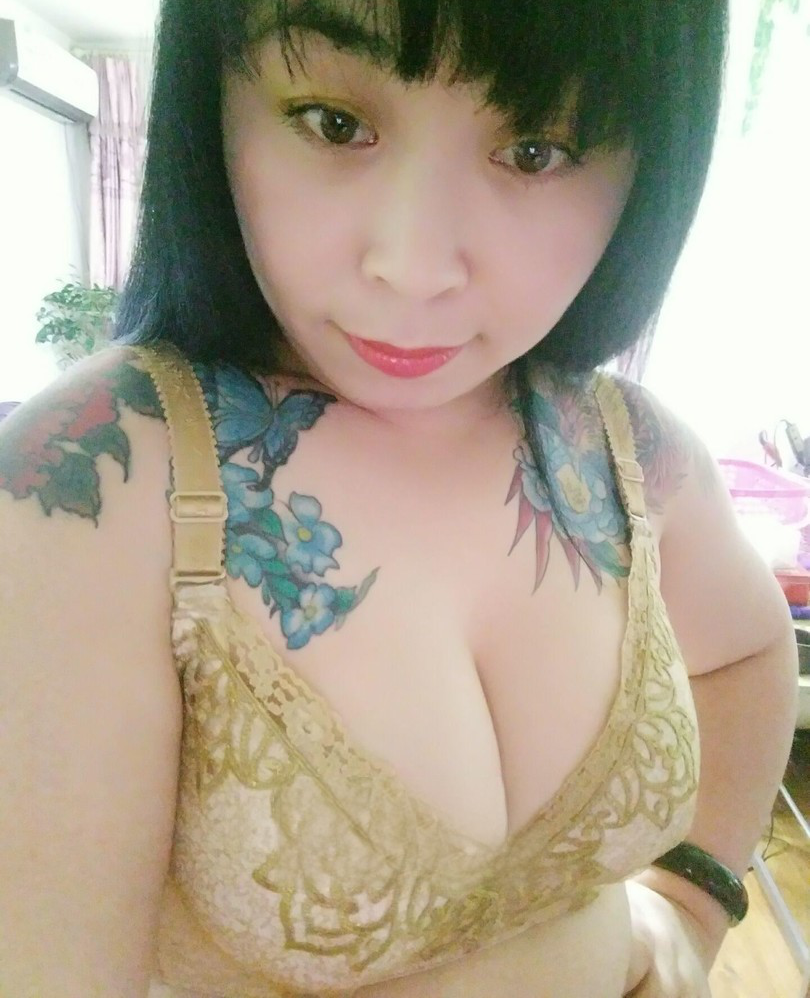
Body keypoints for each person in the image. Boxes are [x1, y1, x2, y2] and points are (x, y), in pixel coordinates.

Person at [0, 0, 799, 995]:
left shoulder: (626, 447)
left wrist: (690, 901)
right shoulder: (94, 481)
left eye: (538, 150)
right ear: (214, 97)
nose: (413, 269)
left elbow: (750, 654)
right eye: (334, 122)